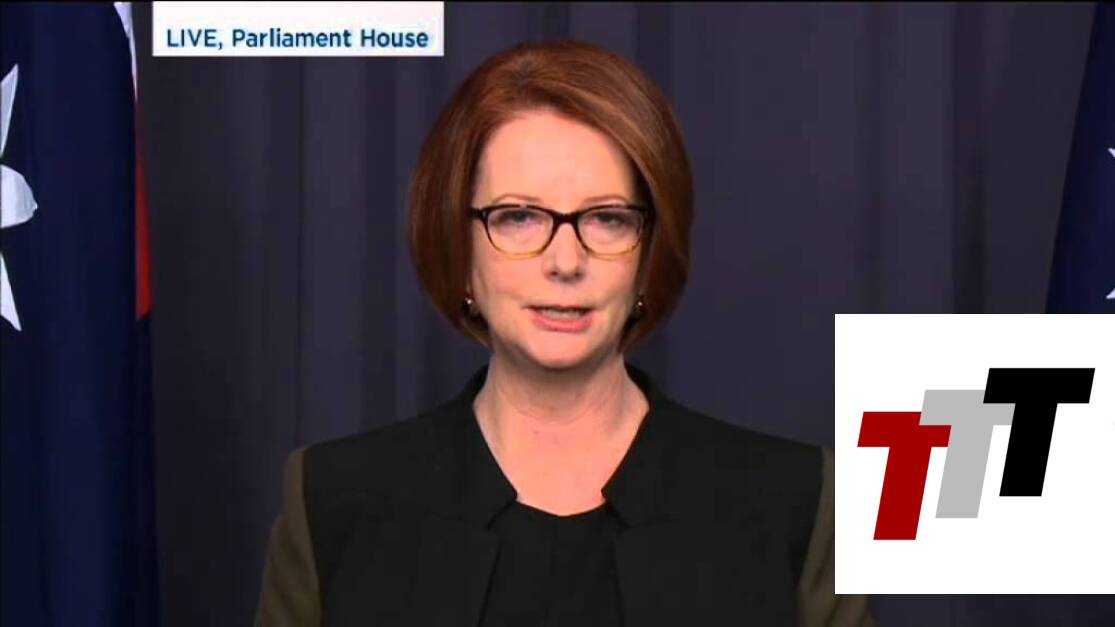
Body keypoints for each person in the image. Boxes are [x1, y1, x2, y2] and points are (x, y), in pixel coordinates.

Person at [255, 39, 874, 626]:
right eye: (518, 217)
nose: (565, 260)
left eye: (606, 219)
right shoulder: (335, 500)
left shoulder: (794, 501)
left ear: (649, 252)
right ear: (458, 247)